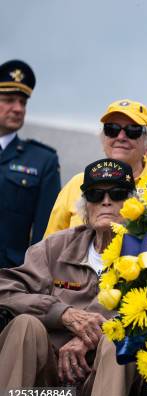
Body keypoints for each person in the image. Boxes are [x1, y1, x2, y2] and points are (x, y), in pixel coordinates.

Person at [0, 159, 137, 396]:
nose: (106, 201)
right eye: (96, 194)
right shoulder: (57, 247)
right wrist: (61, 313)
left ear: (132, 204)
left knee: (118, 339)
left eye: (117, 194)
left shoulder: (144, 255)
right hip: (47, 389)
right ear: (86, 207)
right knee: (25, 325)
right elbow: (5, 289)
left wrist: (92, 334)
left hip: (101, 388)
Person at [44, 99, 147, 237]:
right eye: (112, 129)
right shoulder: (77, 184)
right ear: (103, 139)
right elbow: (49, 246)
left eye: (132, 130)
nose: (121, 136)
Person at [0, 59, 60, 268]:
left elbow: (45, 234)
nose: (18, 108)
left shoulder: (43, 161)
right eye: (9, 100)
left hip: (7, 281)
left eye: (23, 103)